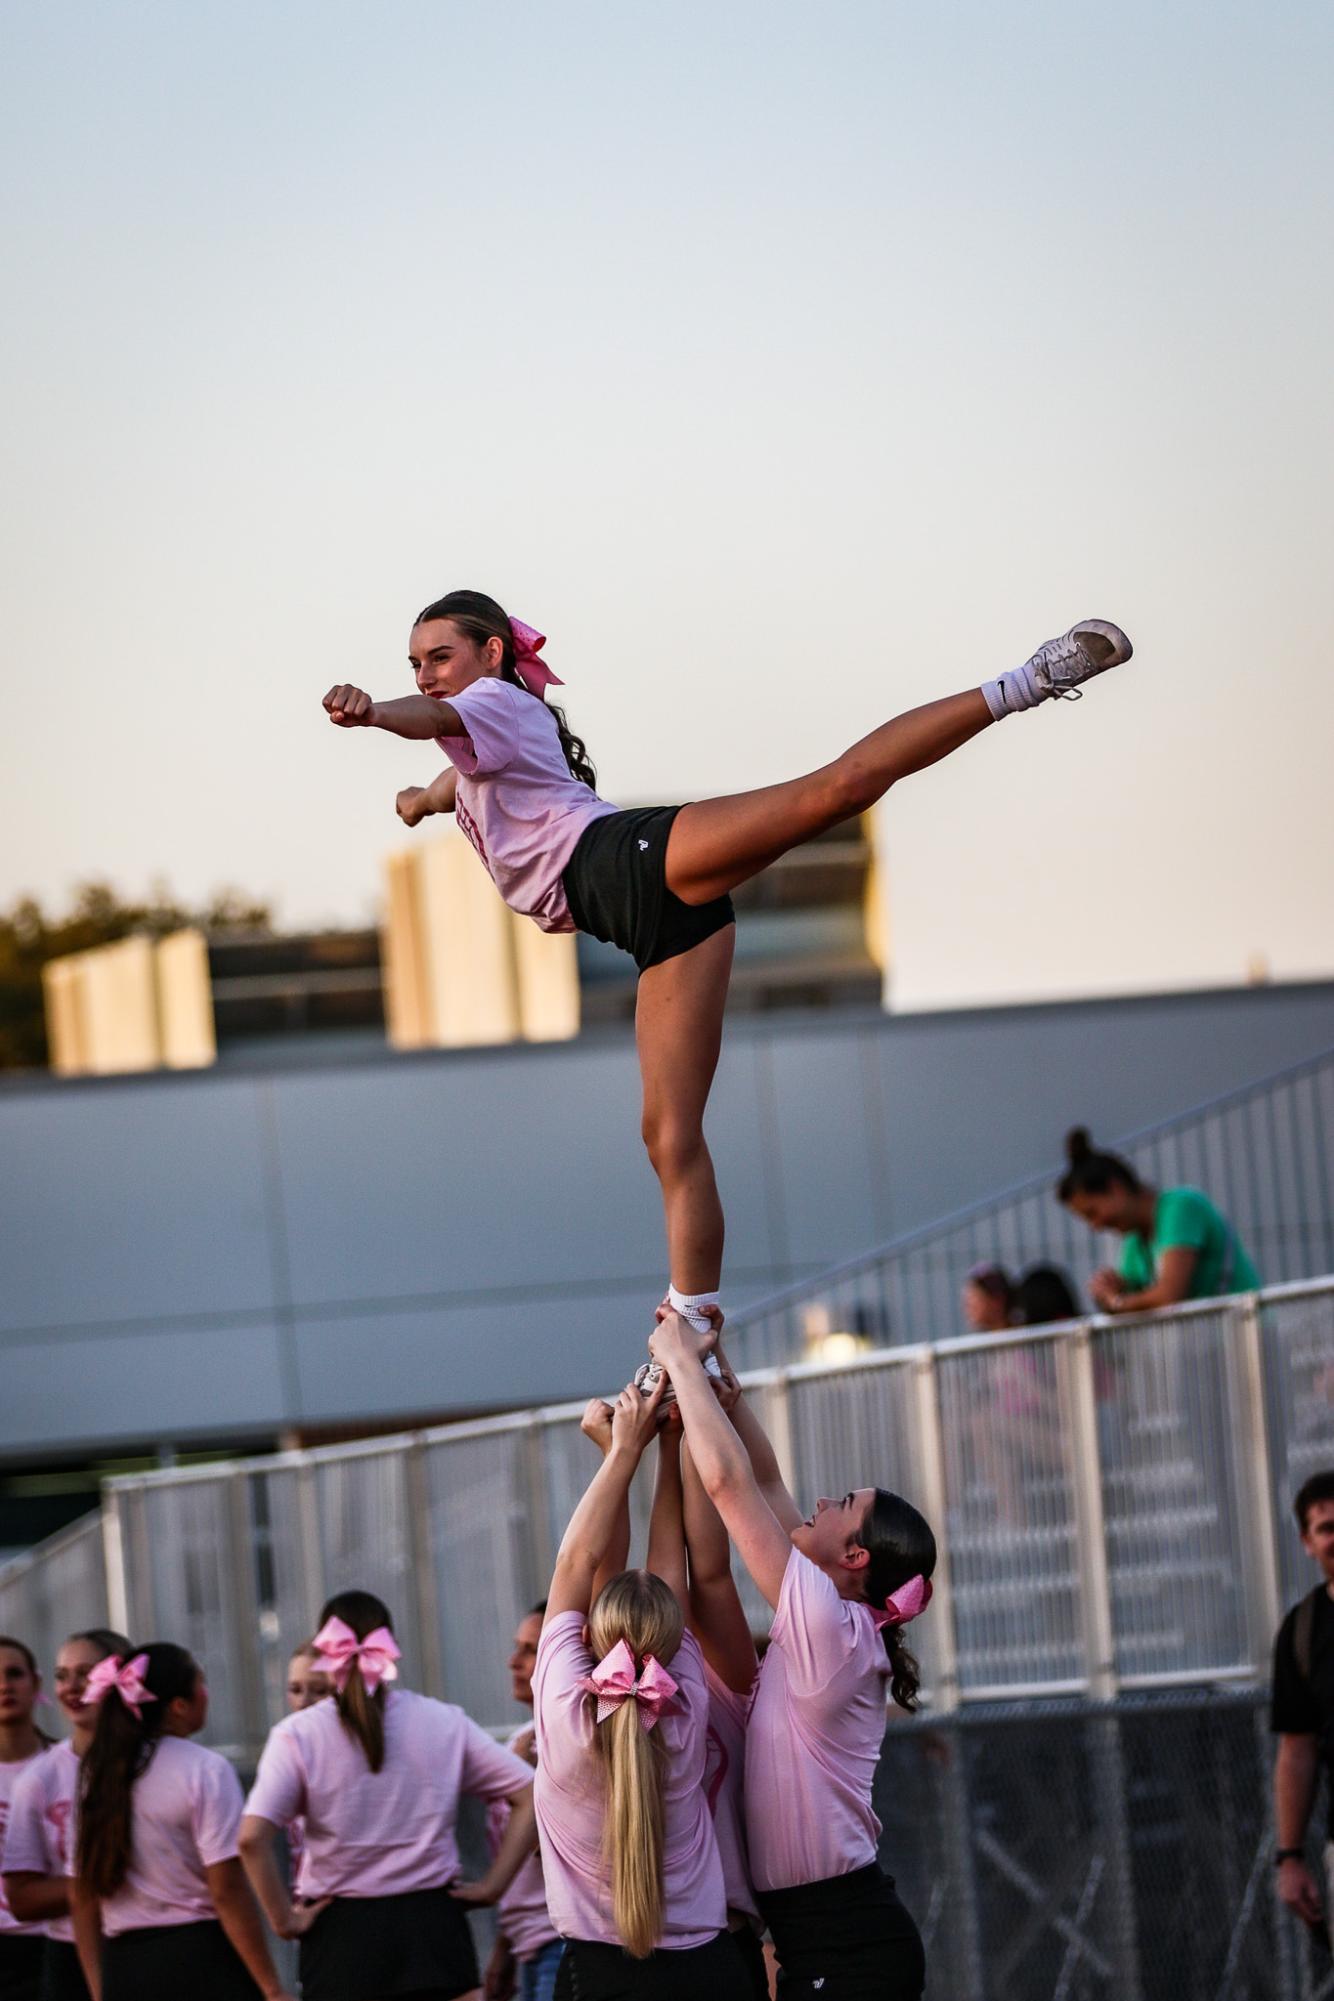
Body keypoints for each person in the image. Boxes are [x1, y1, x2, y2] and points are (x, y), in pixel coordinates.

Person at [324, 592, 1131, 1341]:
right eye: (414, 662)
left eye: (438, 656)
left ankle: (1032, 677)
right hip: (652, 927)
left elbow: (427, 718)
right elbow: (446, 775)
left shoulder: (486, 704)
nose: (425, 673)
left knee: (833, 791)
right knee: (669, 1137)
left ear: (491, 654)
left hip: (631, 864)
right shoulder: (478, 740)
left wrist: (375, 714)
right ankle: (693, 1321)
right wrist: (417, 801)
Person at [647, 1312, 935, 2001]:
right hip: (826, 1932)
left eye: (840, 1504)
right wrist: (723, 1393)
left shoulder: (829, 1627)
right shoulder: (833, 1622)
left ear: (855, 1556)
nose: (818, 1501)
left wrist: (680, 1362)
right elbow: (766, 1484)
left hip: (846, 1936)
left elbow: (733, 1488)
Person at [533, 1375, 744, 1996]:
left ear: (591, 1638)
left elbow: (577, 1562)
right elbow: (666, 1569)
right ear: (673, 1640)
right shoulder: (681, 1705)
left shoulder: (565, 1705)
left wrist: (622, 1450)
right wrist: (669, 1448)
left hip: (598, 1973)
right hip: (711, 1968)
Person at [240, 1588, 537, 2001]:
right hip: (434, 1930)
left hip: (339, 1935)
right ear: (389, 1646)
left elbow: (251, 1838)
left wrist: (283, 1920)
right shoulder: (442, 1721)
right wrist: (493, 1886)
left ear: (326, 1649)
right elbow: (530, 1793)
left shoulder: (298, 1734)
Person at [69, 1642, 293, 2001]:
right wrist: (271, 1987)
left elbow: (82, 1893)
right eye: (200, 1684)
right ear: (179, 1705)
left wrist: (100, 1989)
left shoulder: (95, 1774)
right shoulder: (205, 1769)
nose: (207, 1694)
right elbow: (226, 1889)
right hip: (200, 1958)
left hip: (124, 1965)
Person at [2, 1629, 131, 2001]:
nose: (72, 1687)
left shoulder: (162, 1764)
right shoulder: (41, 1778)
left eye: (87, 1674)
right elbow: (22, 1897)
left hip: (153, 1943)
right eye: (63, 1676)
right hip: (61, 1952)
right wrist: (100, 1880)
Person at [1057, 1126, 1259, 1313]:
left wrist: (1117, 1302)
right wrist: (1113, 1291)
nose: (1096, 1226)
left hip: (1249, 1334)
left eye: (1092, 1213)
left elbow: (1168, 1295)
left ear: (1115, 1188)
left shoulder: (1181, 1207)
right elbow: (1139, 1299)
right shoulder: (1135, 1241)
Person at [482, 1604, 563, 2001]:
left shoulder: (571, 1740)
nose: (514, 1661)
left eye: (530, 1650)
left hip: (561, 1942)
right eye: (517, 1647)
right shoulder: (520, 1739)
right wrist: (503, 1951)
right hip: (527, 1946)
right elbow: (513, 1869)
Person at [1272, 1471, 1334, 1935]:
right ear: (1307, 1542)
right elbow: (1298, 1749)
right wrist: (1290, 1857)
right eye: (1327, 1528)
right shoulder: (1303, 1630)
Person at [0, 1637, 52, 2001]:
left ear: (35, 1684)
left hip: (57, 1941)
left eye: (14, 1674)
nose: (5, 1686)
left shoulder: (68, 1766)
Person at [961, 1264, 1015, 1334]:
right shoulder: (982, 1341)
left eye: (973, 1299)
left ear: (998, 1299)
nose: (967, 1308)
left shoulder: (1025, 1338)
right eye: (967, 1301)